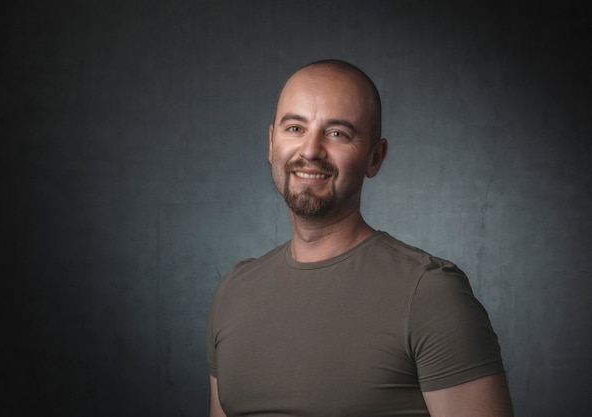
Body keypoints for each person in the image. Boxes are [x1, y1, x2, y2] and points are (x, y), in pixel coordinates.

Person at [206, 59, 514, 417]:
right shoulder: (233, 292)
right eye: (295, 128)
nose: (310, 150)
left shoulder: (431, 293)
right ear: (271, 143)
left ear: (374, 157)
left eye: (338, 133)